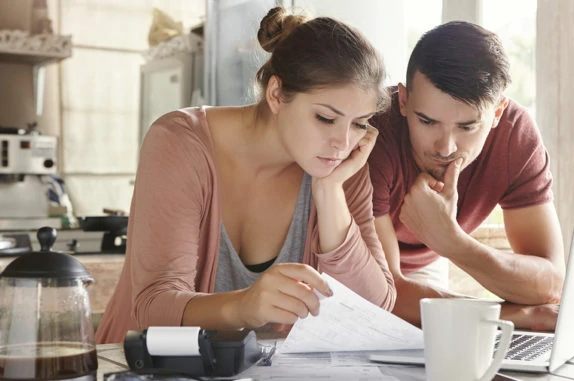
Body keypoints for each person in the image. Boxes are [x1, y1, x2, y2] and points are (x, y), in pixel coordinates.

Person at [96, 7, 395, 344]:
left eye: (359, 123)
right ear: (277, 95)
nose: (343, 142)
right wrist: (245, 307)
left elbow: (377, 307)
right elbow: (153, 306)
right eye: (326, 118)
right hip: (136, 368)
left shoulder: (340, 168)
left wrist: (329, 193)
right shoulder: (179, 142)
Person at [368, 21, 565, 330]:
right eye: (427, 121)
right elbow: (383, 294)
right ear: (404, 101)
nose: (445, 147)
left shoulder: (515, 135)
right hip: (356, 277)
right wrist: (514, 317)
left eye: (467, 126)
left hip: (427, 267)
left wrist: (451, 242)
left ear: (498, 111)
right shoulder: (372, 132)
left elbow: (551, 283)